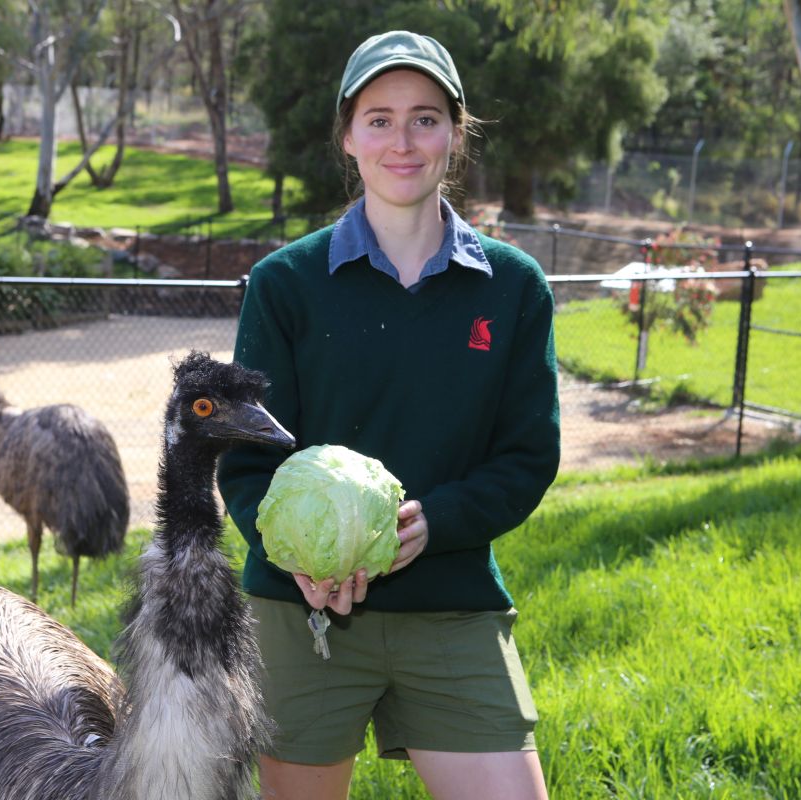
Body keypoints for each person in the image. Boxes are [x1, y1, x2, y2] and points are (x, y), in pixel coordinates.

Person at [217, 30, 560, 800]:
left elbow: (527, 458)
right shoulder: (285, 284)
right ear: (348, 135)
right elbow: (247, 459)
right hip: (303, 612)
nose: (402, 141)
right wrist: (297, 559)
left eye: (425, 117)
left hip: (451, 600)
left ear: (455, 132)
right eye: (379, 118)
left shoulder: (513, 287)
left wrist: (431, 524)